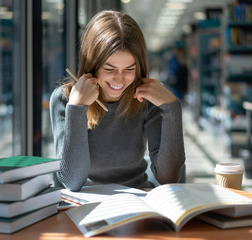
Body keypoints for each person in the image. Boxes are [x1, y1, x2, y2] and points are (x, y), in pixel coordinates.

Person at [50, 10, 185, 191]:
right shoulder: (64, 99)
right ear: (92, 64)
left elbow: (169, 177)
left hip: (138, 200)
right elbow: (72, 181)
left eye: (130, 68)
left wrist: (172, 108)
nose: (120, 80)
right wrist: (77, 108)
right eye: (110, 68)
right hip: (85, 206)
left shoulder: (146, 98)